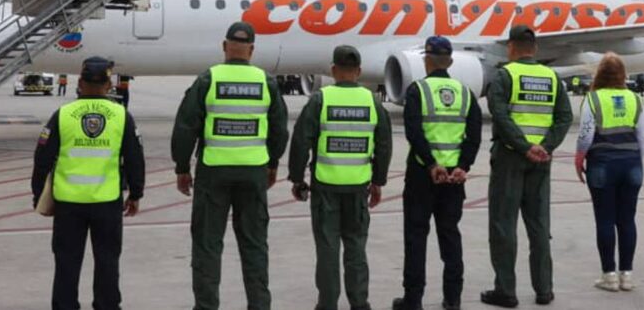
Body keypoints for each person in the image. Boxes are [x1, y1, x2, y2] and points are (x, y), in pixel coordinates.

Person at [171, 22, 289, 310]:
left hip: (214, 172)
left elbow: (186, 126)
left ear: (225, 47)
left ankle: (207, 305)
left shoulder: (208, 79)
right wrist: (272, 162)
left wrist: (182, 167)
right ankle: (259, 305)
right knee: (254, 244)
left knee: (208, 245)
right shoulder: (266, 82)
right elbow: (279, 129)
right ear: (251, 49)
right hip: (253, 172)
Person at [31, 56, 145, 310]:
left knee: (66, 263)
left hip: (68, 204)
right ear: (108, 85)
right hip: (106, 203)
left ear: (80, 83)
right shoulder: (121, 116)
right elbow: (135, 158)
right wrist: (136, 193)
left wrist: (38, 196)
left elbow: (42, 158)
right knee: (107, 262)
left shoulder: (63, 115)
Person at [288, 45, 392, 310]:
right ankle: (359, 303)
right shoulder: (373, 102)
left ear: (333, 70)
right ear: (358, 71)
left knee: (327, 249)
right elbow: (383, 145)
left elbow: (301, 141)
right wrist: (378, 181)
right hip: (358, 188)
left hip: (326, 188)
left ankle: (328, 303)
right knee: (356, 248)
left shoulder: (320, 99)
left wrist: (297, 179)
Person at [481, 25, 573, 308]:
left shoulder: (505, 75)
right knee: (539, 225)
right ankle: (544, 289)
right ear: (534, 49)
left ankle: (506, 291)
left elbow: (500, 114)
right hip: (541, 161)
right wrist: (545, 147)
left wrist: (524, 146)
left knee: (503, 224)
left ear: (511, 47)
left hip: (511, 157)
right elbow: (564, 117)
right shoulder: (552, 77)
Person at [392, 36, 482, 310]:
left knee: (416, 238)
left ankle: (413, 299)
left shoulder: (418, 91)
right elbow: (474, 136)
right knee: (450, 237)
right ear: (451, 61)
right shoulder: (466, 93)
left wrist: (432, 164)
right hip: (453, 179)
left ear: (426, 60)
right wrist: (462, 167)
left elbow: (414, 133)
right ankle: (453, 299)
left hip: (423, 176)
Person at [573, 53, 644, 292]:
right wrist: (636, 162)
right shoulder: (635, 99)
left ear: (599, 74)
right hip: (631, 163)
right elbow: (642, 137)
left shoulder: (593, 99)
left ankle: (609, 275)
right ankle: (627, 275)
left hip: (603, 164)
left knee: (604, 220)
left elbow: (585, 135)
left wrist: (579, 159)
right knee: (627, 220)